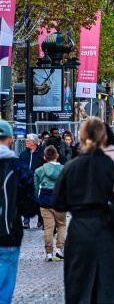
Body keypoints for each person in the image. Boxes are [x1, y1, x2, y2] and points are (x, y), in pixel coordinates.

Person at [52, 118, 114, 304]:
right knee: (110, 287)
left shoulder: (70, 167)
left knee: (79, 287)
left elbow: (58, 203)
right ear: (104, 138)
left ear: (81, 139)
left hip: (80, 230)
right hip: (110, 230)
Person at [0, 119, 38, 303]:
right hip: (8, 235)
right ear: (10, 140)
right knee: (3, 293)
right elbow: (29, 209)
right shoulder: (19, 168)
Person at [34, 146, 65, 262]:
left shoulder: (39, 171)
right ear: (57, 156)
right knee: (61, 225)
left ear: (45, 158)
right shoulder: (64, 169)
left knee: (48, 227)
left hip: (45, 200)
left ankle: (49, 253)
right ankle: (59, 249)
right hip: (60, 200)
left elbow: (35, 188)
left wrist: (35, 200)